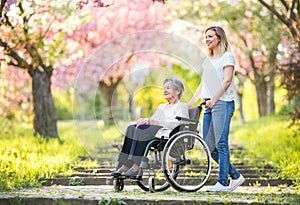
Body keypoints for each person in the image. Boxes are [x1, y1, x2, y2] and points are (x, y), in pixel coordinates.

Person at [188, 26, 245, 192]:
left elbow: (227, 81)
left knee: (221, 143)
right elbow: (203, 84)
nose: (207, 39)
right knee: (208, 145)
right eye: (206, 37)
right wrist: (191, 102)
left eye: (210, 36)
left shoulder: (227, 57)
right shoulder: (208, 61)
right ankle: (235, 176)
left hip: (223, 103)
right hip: (208, 105)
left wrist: (214, 99)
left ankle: (223, 182)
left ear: (219, 38)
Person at [112, 77, 189, 178]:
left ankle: (136, 167)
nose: (165, 90)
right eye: (164, 88)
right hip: (157, 131)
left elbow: (179, 124)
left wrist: (156, 122)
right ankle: (125, 165)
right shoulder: (162, 106)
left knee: (142, 130)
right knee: (131, 128)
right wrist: (144, 120)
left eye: (168, 88)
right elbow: (153, 120)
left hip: (169, 134)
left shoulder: (182, 106)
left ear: (178, 91)